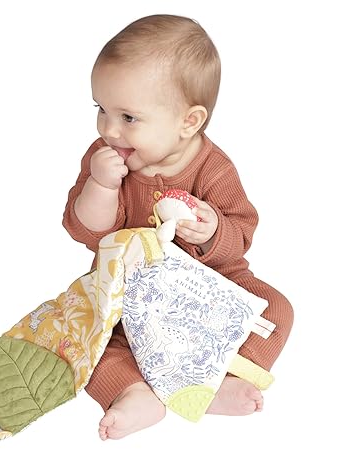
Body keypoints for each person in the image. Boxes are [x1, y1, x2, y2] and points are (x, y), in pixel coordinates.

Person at [62, 14, 293, 441]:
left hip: (209, 286)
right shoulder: (103, 158)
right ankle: (133, 392)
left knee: (276, 311)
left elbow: (241, 234)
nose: (109, 129)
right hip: (129, 286)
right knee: (83, 337)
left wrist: (213, 231)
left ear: (189, 122)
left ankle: (218, 380)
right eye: (101, 109)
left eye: (128, 117)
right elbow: (87, 232)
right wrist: (101, 186)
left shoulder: (213, 169)